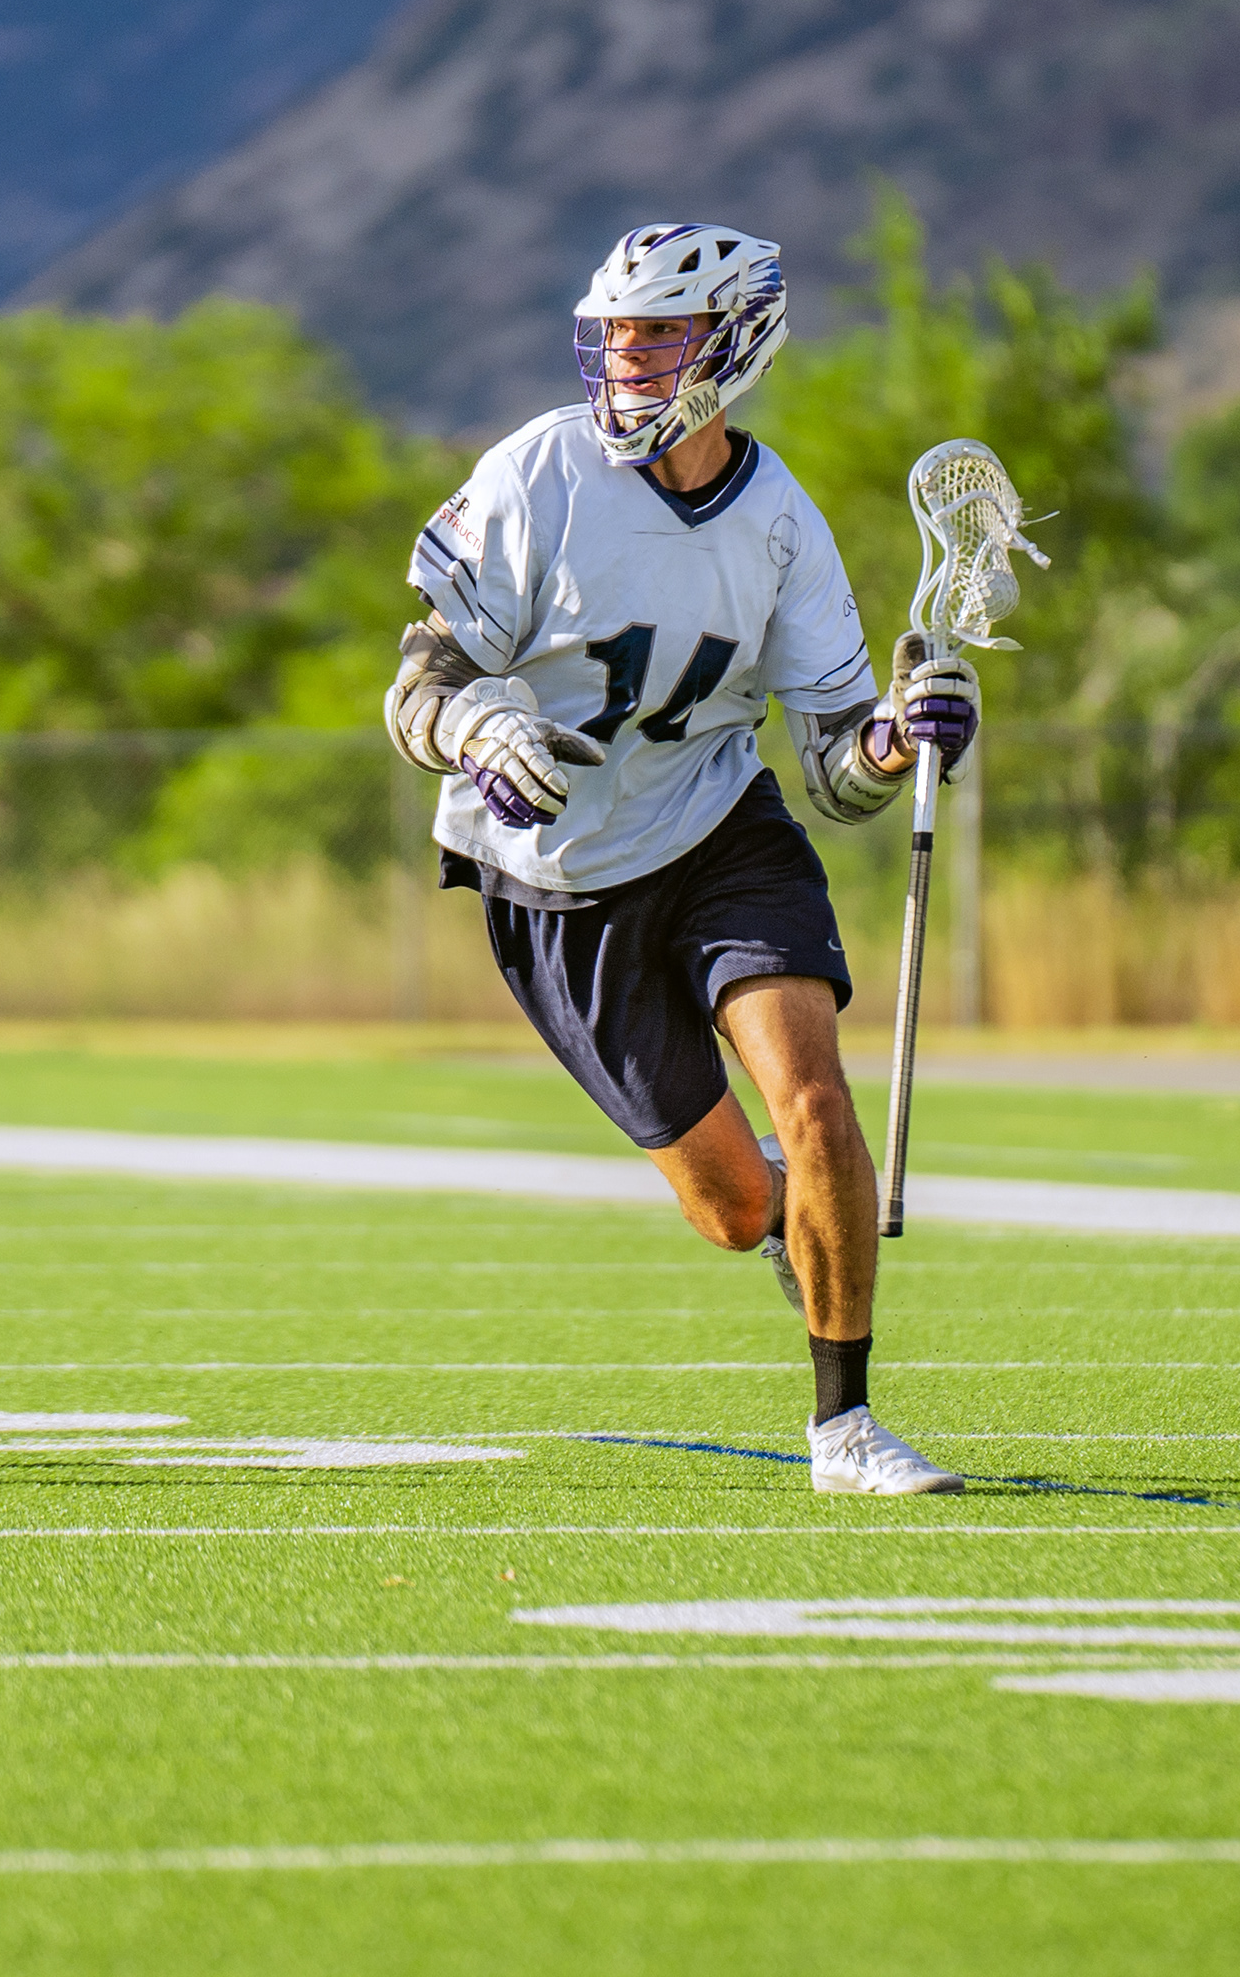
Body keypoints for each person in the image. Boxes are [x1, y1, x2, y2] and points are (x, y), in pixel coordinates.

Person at [384, 222, 978, 1495]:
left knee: (814, 1096)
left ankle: (845, 1427)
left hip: (720, 831)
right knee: (736, 1208)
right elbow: (417, 684)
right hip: (554, 877)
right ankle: (785, 1218)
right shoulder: (537, 471)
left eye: (661, 331)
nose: (630, 357)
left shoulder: (781, 520)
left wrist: (901, 735)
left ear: (736, 340)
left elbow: (839, 773)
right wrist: (477, 727)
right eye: (617, 333)